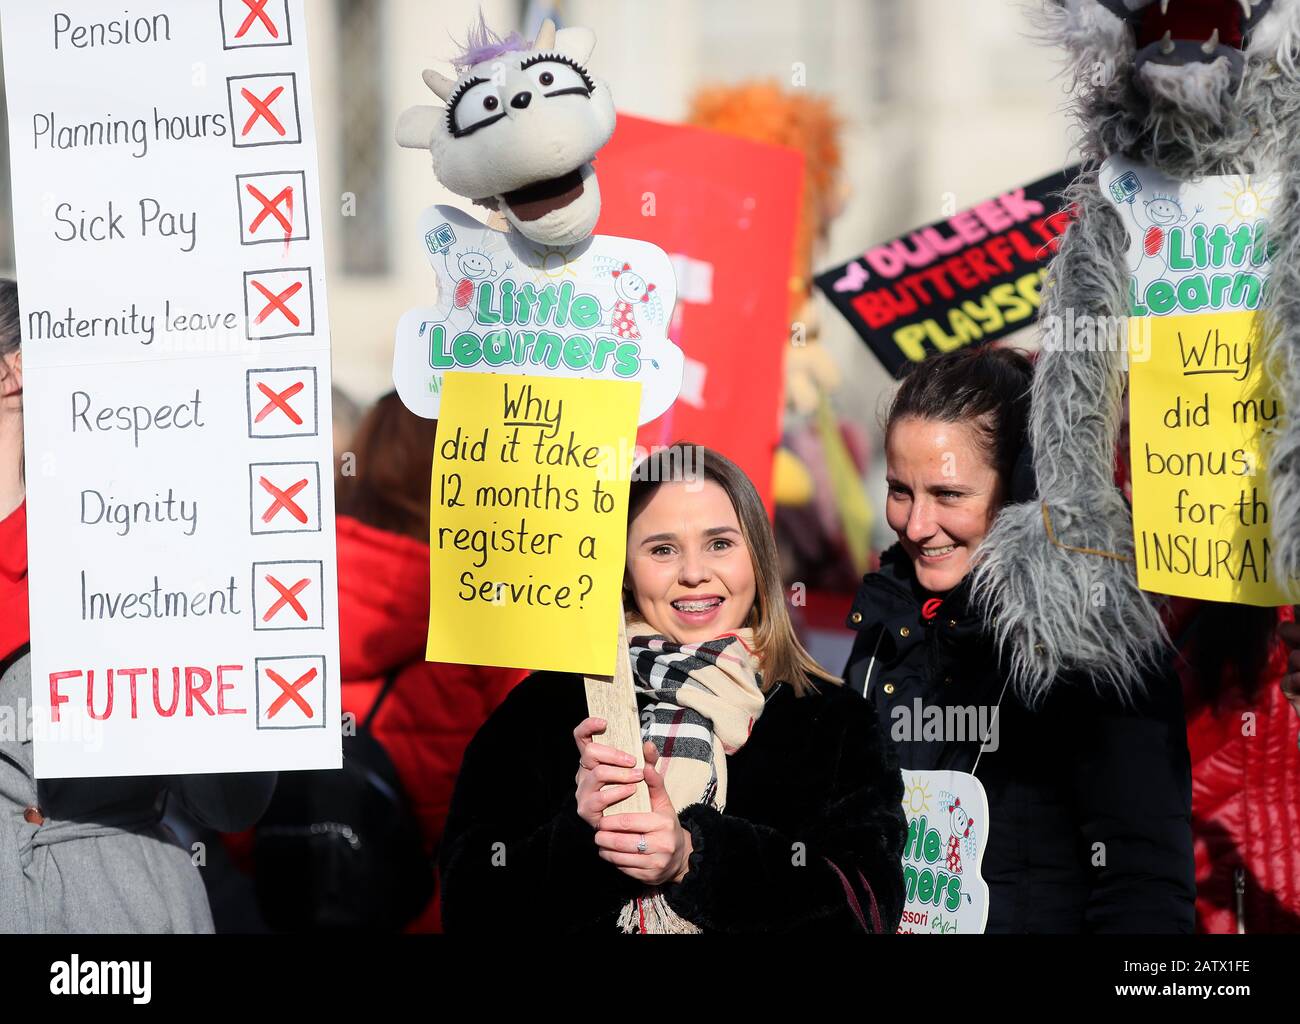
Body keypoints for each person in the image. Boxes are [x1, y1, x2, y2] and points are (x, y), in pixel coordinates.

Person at [439, 444, 905, 934]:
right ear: (624, 571)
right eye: (662, 549)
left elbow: (866, 912)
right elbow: (469, 907)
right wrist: (584, 836)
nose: (693, 573)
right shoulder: (544, 708)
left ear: (760, 559)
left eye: (720, 543)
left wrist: (694, 859)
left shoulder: (830, 719)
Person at [843, 345, 1195, 933]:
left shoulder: (1093, 642)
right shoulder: (883, 625)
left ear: (1019, 494)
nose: (915, 524)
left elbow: (1143, 884)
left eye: (949, 494)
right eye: (900, 490)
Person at [0, 278, 277, 933]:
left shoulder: (123, 552)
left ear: (13, 373)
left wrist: (202, 620)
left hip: (108, 907)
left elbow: (231, 802)